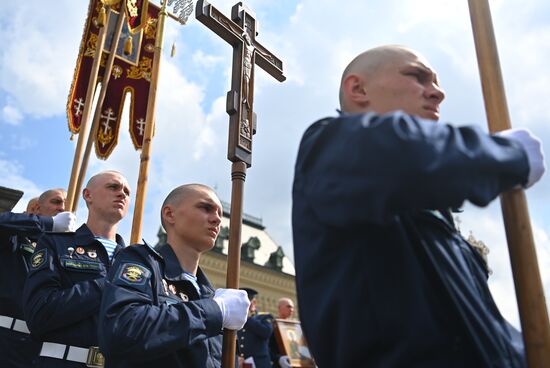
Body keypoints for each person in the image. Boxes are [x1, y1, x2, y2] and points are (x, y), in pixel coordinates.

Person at [292, 45, 545, 367]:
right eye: (417, 77)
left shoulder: (429, 214)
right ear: (358, 89)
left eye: (437, 83)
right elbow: (405, 155)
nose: (438, 93)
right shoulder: (327, 146)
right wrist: (506, 155)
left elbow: (478, 335)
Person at [99, 183, 250, 367]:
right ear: (170, 214)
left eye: (220, 213)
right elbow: (122, 330)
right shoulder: (141, 261)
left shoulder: (211, 294)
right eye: (206, 208)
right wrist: (213, 311)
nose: (217, 219)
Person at [23, 171, 131, 367]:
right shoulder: (55, 244)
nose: (122, 194)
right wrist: (109, 285)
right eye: (113, 187)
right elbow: (39, 312)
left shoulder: (136, 263)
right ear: (88, 195)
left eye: (127, 191)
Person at [0, 188, 75, 368]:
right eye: (56, 202)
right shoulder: (14, 238)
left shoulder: (62, 249)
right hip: (5, 338)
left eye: (65, 205)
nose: (62, 208)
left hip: (40, 346)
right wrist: (49, 224)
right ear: (35, 208)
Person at [237, 288, 274, 368]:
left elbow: (266, 332)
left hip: (258, 363)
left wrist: (248, 318)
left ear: (253, 303)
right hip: (239, 363)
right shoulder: (236, 318)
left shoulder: (264, 317)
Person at [269, 298, 295, 368]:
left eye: (292, 307)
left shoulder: (294, 327)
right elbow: (267, 347)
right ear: (279, 308)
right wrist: (278, 358)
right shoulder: (272, 325)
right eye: (288, 306)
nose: (292, 310)